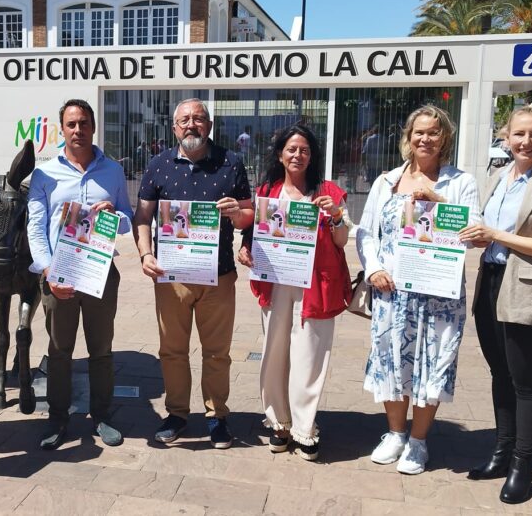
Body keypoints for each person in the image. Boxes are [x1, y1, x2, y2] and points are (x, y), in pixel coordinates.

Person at [459, 103, 532, 504]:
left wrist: (494, 234)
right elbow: (487, 230)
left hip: (529, 289)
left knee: (526, 382)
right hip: (492, 282)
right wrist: (473, 231)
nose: (526, 141)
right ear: (506, 137)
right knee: (500, 374)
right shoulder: (499, 176)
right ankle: (501, 452)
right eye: (519, 134)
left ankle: (522, 464)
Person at [356, 104, 479, 475]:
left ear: (445, 138)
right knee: (392, 360)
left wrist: (439, 202)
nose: (426, 139)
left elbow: (475, 233)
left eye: (434, 132)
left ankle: (419, 441)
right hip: (392, 290)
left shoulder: (461, 182)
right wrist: (374, 268)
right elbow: (366, 232)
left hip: (439, 294)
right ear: (408, 138)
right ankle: (395, 433)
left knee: (432, 362)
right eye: (419, 132)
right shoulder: (386, 181)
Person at [134, 98, 253, 449]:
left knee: (217, 353)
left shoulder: (231, 163)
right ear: (174, 127)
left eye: (198, 119)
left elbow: (249, 216)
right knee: (172, 350)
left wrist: (237, 213)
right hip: (172, 276)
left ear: (209, 125)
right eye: (184, 120)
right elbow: (143, 218)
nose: (191, 125)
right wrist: (145, 254)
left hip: (219, 276)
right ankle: (177, 414)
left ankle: (217, 416)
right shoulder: (158, 164)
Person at [237, 124, 351, 461]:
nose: (298, 155)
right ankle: (279, 423)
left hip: (317, 285)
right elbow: (254, 231)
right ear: (280, 155)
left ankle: (305, 427)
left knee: (310, 356)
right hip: (276, 283)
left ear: (312, 156)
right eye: (291, 149)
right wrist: (246, 248)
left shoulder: (329, 192)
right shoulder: (268, 191)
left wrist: (335, 216)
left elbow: (342, 241)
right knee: (275, 353)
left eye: (304, 150)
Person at [26, 99, 134, 450]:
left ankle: (102, 416)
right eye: (71, 124)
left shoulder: (113, 171)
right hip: (59, 274)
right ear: (62, 129)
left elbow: (128, 220)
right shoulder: (44, 174)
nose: (78, 130)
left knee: (101, 349)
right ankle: (58, 417)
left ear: (93, 127)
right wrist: (47, 272)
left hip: (100, 272)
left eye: (84, 123)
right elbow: (35, 227)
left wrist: (114, 215)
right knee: (59, 350)